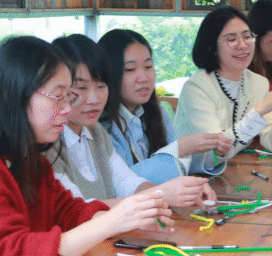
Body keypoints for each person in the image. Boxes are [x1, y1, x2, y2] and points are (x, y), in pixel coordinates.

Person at [0, 35, 174, 256]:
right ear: (12, 95)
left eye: (68, 97)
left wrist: (126, 218)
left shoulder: (26, 157)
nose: (67, 109)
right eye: (58, 97)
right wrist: (111, 221)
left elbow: (69, 212)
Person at [48, 34, 215, 208]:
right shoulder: (47, 146)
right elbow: (76, 210)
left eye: (101, 86)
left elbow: (127, 183)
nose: (94, 99)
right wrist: (163, 194)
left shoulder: (96, 132)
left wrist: (180, 191)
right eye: (81, 88)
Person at [98, 29, 232, 184]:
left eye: (148, 66)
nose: (144, 78)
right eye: (130, 69)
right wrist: (179, 149)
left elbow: (179, 164)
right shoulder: (100, 127)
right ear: (107, 74)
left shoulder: (157, 112)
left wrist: (213, 153)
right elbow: (122, 183)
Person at [173, 6, 272, 160]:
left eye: (247, 37)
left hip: (232, 170)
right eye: (231, 40)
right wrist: (258, 111)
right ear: (213, 47)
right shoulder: (196, 88)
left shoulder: (259, 83)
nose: (243, 45)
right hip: (189, 172)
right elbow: (215, 153)